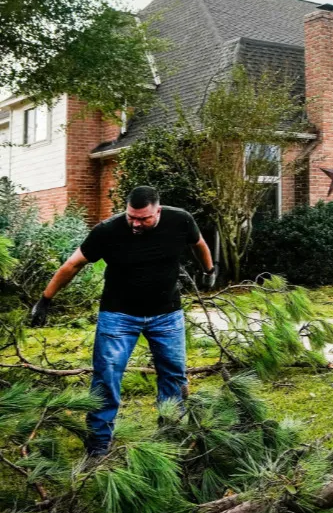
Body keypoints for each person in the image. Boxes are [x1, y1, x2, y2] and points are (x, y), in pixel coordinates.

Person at [27, 186, 216, 456]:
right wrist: (45, 300)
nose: (136, 224)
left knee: (173, 376)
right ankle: (98, 444)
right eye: (131, 217)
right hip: (119, 316)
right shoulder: (108, 231)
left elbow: (198, 243)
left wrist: (210, 269)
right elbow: (73, 264)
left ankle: (171, 435)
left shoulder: (180, 220)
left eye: (144, 219)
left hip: (167, 315)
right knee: (107, 377)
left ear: (158, 210)